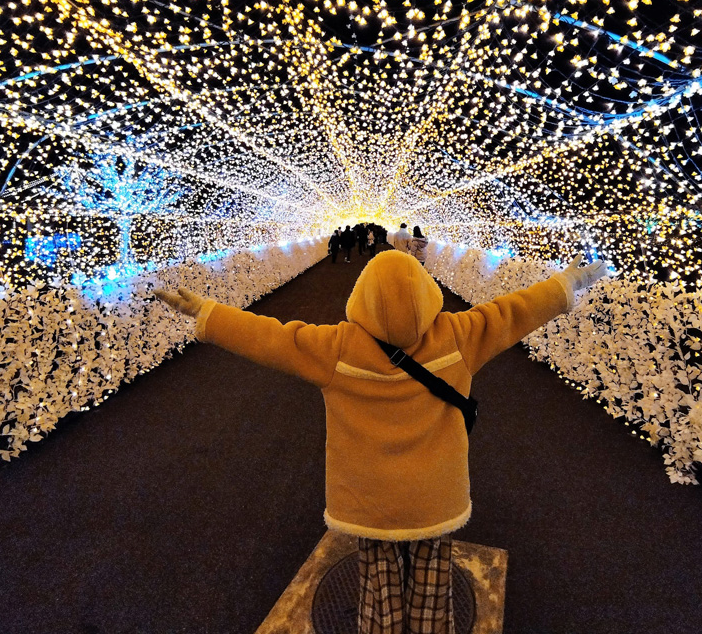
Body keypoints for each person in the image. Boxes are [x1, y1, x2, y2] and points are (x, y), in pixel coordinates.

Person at [154, 251, 607, 634]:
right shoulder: (460, 336)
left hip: (369, 498)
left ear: (362, 296)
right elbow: (517, 309)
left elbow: (268, 336)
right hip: (434, 495)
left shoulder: (335, 347)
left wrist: (205, 312)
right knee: (433, 573)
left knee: (378, 578)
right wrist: (569, 280)